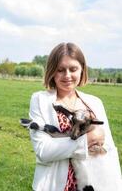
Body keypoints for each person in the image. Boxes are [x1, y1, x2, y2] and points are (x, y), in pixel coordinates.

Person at [29, 42, 122, 191]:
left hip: (92, 184)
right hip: (54, 185)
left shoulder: (94, 103)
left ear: (82, 70)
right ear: (52, 71)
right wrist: (87, 141)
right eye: (60, 70)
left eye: (73, 69)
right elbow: (44, 151)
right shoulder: (40, 100)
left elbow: (108, 151)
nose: (67, 76)